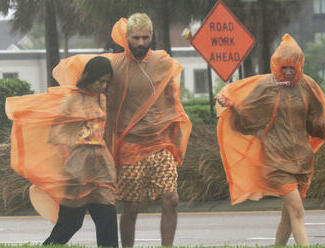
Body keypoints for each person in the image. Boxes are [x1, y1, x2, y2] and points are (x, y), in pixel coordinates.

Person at [215, 33, 325, 246]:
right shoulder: (267, 86)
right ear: (276, 65)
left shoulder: (308, 86)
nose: (287, 72)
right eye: (283, 67)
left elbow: (317, 120)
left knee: (288, 215)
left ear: (299, 65)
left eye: (291, 67)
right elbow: (247, 117)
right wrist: (232, 107)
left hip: (302, 160)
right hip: (275, 160)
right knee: (296, 209)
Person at [6, 56, 118, 247]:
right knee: (71, 222)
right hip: (77, 170)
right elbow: (56, 134)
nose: (103, 85)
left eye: (107, 81)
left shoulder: (102, 99)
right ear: (89, 77)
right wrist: (86, 137)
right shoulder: (72, 100)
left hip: (101, 168)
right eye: (100, 80)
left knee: (107, 216)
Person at [104, 13, 192, 247]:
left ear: (152, 36)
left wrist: (177, 139)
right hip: (130, 146)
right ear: (127, 38)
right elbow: (97, 93)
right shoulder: (115, 65)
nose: (141, 42)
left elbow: (173, 102)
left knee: (171, 199)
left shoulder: (163, 61)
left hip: (160, 143)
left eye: (145, 37)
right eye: (135, 38)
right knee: (131, 207)